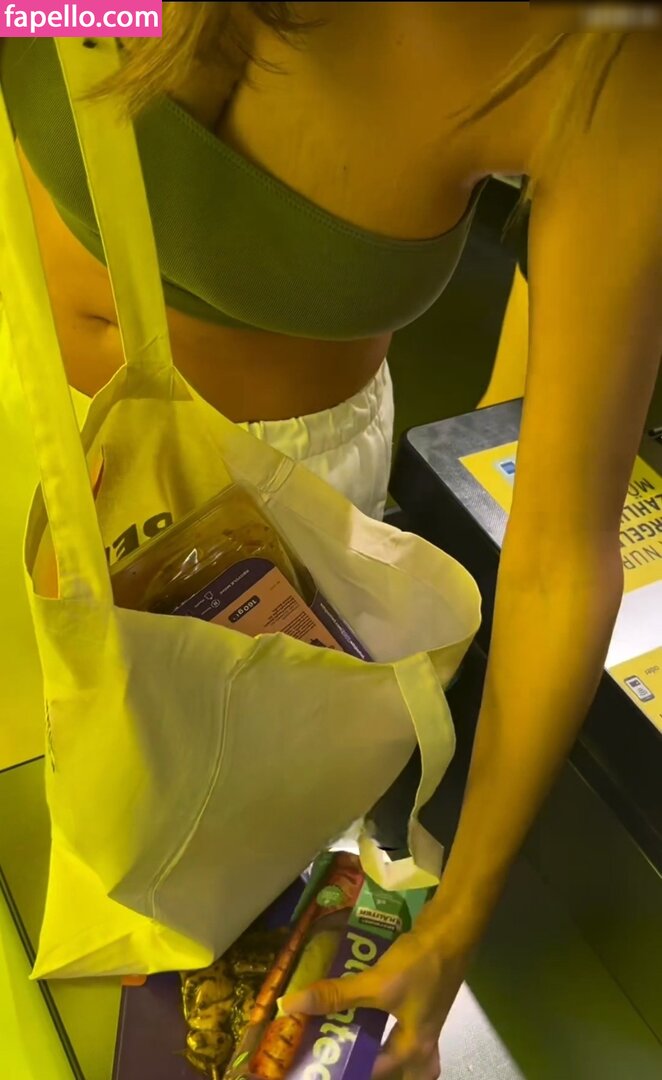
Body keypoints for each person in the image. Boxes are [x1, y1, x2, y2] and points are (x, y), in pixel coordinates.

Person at [1, 3, 660, 1077]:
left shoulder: (597, 52)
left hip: (275, 518)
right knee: (58, 834)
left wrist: (456, 919)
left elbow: (555, 556)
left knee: (212, 910)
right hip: (28, 405)